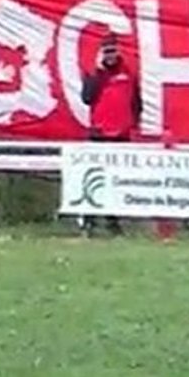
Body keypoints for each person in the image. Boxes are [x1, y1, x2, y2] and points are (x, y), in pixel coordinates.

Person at [78, 32, 141, 236]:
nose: (110, 56)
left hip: (121, 135)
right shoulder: (95, 74)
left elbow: (136, 102)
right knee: (94, 177)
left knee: (116, 180)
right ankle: (89, 221)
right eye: (107, 52)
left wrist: (132, 123)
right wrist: (98, 71)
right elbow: (87, 98)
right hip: (99, 133)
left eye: (113, 51)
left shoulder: (128, 72)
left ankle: (113, 222)